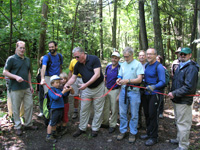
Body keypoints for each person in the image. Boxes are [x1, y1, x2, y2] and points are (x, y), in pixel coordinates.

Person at [64, 47, 105, 138]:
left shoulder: (94, 59)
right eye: (75, 57)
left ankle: (95, 128)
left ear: (83, 53)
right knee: (83, 108)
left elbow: (97, 74)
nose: (76, 59)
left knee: (98, 108)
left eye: (77, 56)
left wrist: (85, 84)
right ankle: (82, 128)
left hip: (98, 88)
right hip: (86, 89)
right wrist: (66, 84)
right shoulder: (77, 65)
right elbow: (74, 77)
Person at [3, 41, 37, 136]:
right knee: (16, 107)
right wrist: (16, 77)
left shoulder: (27, 60)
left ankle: (28, 124)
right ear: (16, 49)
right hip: (15, 87)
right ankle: (17, 126)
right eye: (20, 48)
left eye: (23, 48)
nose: (22, 50)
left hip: (26, 87)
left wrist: (30, 85)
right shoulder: (11, 59)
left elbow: (29, 73)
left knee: (29, 105)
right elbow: (5, 72)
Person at [167, 47, 199, 150]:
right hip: (177, 100)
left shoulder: (191, 68)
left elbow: (189, 87)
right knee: (178, 121)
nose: (183, 56)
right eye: (181, 54)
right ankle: (179, 139)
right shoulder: (180, 66)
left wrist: (174, 93)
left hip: (184, 101)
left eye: (185, 54)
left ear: (190, 55)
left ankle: (183, 146)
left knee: (183, 123)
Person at [116, 47, 144, 143]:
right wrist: (119, 80)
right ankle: (123, 130)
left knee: (134, 113)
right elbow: (120, 75)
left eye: (127, 56)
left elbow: (139, 79)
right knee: (122, 112)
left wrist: (127, 81)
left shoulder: (138, 64)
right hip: (123, 91)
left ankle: (133, 132)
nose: (126, 58)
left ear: (132, 55)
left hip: (134, 92)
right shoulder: (123, 64)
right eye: (124, 56)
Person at [140, 48, 165, 146]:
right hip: (146, 93)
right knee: (146, 114)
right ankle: (149, 132)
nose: (149, 56)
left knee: (152, 115)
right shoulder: (146, 65)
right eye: (147, 54)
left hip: (155, 94)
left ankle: (154, 137)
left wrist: (154, 86)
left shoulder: (159, 67)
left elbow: (163, 81)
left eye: (151, 54)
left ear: (155, 55)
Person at [46, 75, 73, 143]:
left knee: (56, 122)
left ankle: (54, 133)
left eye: (59, 82)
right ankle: (48, 136)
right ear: (52, 83)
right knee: (52, 122)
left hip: (60, 108)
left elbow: (64, 95)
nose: (58, 84)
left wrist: (68, 89)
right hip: (54, 108)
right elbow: (55, 97)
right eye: (56, 82)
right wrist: (63, 92)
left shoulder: (59, 89)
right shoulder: (51, 90)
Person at [101, 51, 121, 134]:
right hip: (106, 89)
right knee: (105, 107)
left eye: (116, 58)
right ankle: (105, 122)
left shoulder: (120, 68)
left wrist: (119, 94)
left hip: (115, 90)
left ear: (118, 59)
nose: (114, 59)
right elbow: (105, 77)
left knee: (114, 108)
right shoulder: (108, 67)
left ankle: (112, 125)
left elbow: (121, 81)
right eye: (113, 57)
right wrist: (104, 88)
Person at [138, 50, 147, 128]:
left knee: (146, 107)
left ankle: (147, 124)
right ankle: (138, 123)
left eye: (143, 55)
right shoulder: (136, 65)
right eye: (140, 55)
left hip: (146, 87)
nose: (141, 57)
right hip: (137, 88)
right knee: (137, 106)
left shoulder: (148, 65)